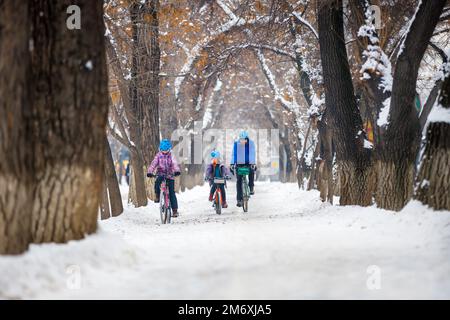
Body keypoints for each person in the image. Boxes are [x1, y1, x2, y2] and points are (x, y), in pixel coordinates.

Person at [147, 139, 181, 217]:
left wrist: (177, 171)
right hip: (161, 173)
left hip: (170, 174)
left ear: (169, 149)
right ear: (160, 149)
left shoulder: (171, 155)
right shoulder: (158, 155)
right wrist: (150, 172)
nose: (165, 152)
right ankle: (157, 195)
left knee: (172, 193)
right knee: (157, 182)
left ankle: (175, 210)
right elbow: (153, 164)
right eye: (163, 150)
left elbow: (175, 163)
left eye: (166, 150)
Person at [230, 130, 257, 207]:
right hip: (239, 163)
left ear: (247, 138)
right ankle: (239, 200)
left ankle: (251, 187)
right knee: (239, 181)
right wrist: (232, 163)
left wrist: (252, 163)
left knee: (251, 171)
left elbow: (252, 153)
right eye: (241, 139)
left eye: (244, 139)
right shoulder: (236, 144)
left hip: (249, 162)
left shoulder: (251, 144)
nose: (243, 141)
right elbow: (234, 154)